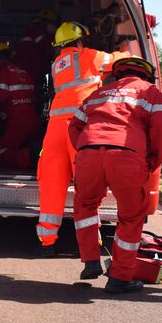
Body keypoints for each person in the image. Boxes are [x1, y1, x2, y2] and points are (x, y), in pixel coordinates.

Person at [68, 56, 162, 293]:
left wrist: (85, 149)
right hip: (127, 156)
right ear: (146, 75)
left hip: (88, 153)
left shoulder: (99, 94)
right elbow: (161, 126)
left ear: (117, 75)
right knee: (132, 215)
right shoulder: (150, 92)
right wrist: (152, 161)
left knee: (85, 205)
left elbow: (74, 125)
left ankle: (91, 260)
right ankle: (119, 278)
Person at [36, 21, 129, 255]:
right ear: (79, 42)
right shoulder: (90, 56)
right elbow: (120, 60)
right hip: (79, 127)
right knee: (87, 188)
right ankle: (89, 243)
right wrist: (127, 48)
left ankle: (47, 241)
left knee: (51, 185)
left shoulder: (57, 64)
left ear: (60, 46)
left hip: (55, 129)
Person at [0, 42, 39, 168]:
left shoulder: (2, 71)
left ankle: (32, 157)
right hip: (32, 119)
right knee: (23, 145)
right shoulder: (22, 71)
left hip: (16, 121)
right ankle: (32, 157)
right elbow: (34, 95)